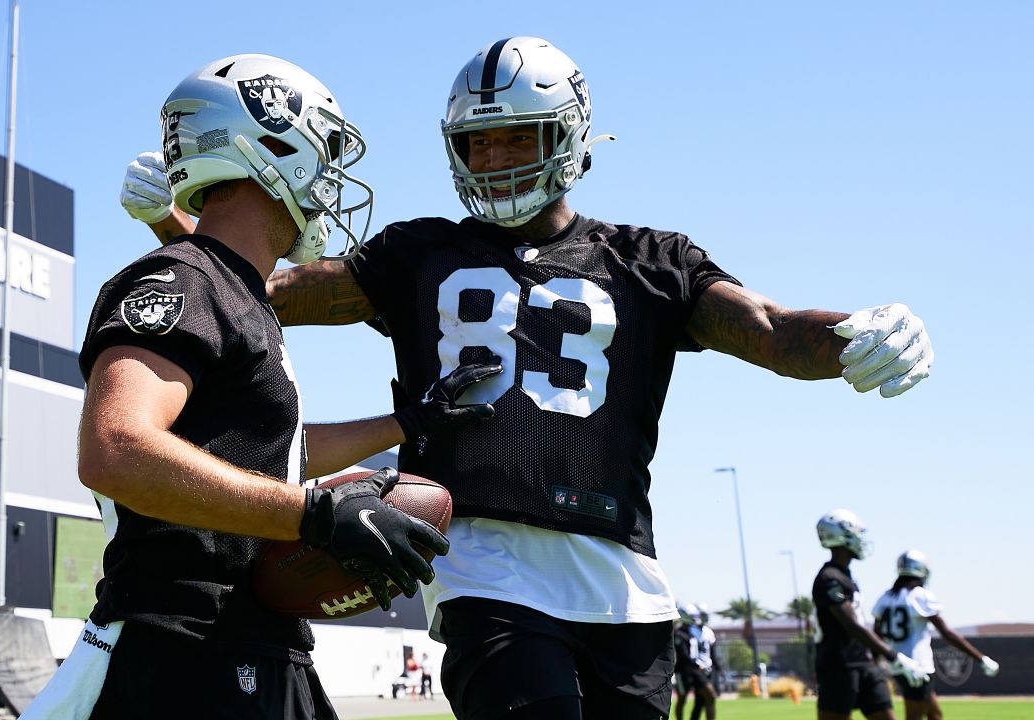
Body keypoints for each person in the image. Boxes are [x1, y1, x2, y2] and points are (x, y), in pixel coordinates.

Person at [123, 36, 934, 720]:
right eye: (480, 141)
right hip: (482, 560)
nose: (496, 157)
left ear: (570, 137)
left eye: (518, 137)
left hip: (622, 575)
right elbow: (257, 291)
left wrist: (856, 337)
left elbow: (772, 329)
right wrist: (177, 221)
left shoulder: (651, 260)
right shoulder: (416, 254)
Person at [20, 53, 511, 720]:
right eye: (326, 151)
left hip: (248, 640)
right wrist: (314, 515)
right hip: (184, 647)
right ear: (273, 146)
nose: (332, 178)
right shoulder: (182, 280)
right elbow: (115, 448)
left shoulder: (243, 299)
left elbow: (259, 456)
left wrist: (408, 424)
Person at [812, 510, 930, 720]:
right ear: (843, 536)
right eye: (856, 533)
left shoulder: (845, 576)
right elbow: (852, 626)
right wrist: (894, 656)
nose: (860, 539)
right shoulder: (829, 578)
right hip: (838, 667)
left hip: (863, 664)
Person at [872, 550, 1000, 720]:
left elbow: (876, 635)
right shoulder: (919, 596)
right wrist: (980, 658)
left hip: (897, 665)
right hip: (918, 667)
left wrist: (874, 664)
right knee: (914, 717)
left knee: (935, 715)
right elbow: (947, 633)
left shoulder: (885, 597)